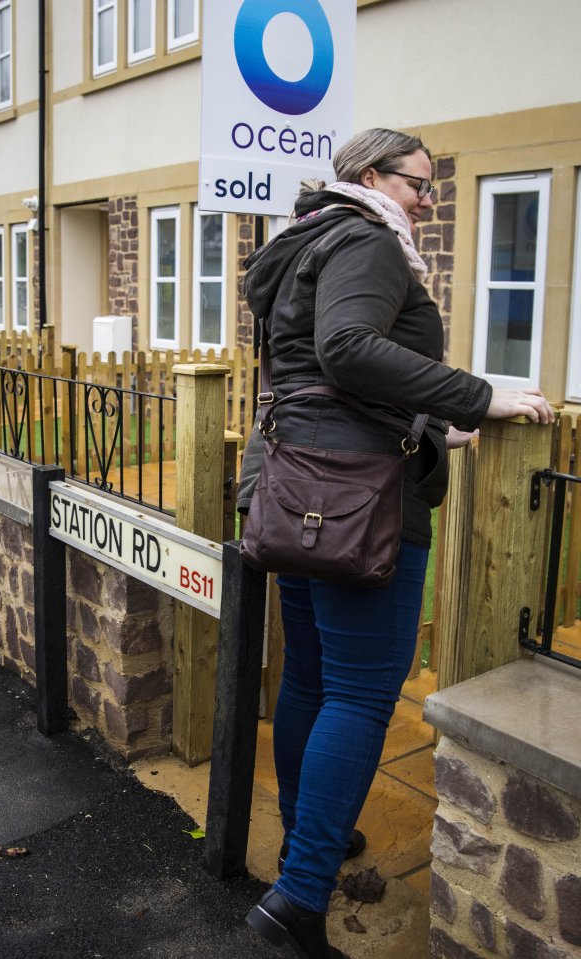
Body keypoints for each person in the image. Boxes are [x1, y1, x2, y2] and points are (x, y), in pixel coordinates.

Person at [237, 127, 554, 959]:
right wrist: (476, 396)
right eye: (420, 184)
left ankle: (315, 833)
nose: (426, 200)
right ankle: (300, 896)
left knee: (310, 675)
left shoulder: (304, 239)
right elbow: (349, 348)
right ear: (373, 176)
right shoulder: (369, 239)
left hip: (298, 482)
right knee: (362, 693)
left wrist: (428, 425)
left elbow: (310, 374)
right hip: (360, 497)